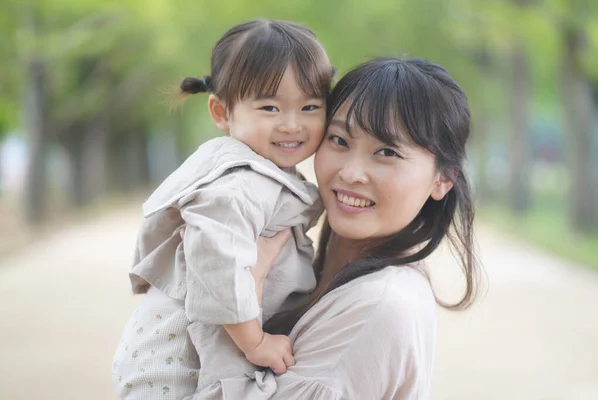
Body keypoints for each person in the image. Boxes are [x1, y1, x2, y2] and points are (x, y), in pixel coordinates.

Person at [191, 57, 480, 399]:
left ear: (443, 179)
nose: (351, 173)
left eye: (387, 152)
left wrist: (239, 297)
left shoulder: (378, 307)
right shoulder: (314, 269)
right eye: (339, 140)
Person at [111, 19, 333, 399]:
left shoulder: (262, 170)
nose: (292, 124)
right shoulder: (238, 180)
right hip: (173, 361)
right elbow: (215, 255)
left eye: (310, 106)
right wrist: (255, 343)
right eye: (270, 107)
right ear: (221, 112)